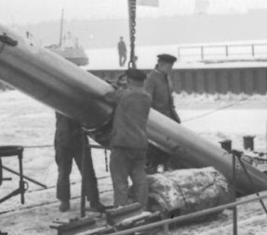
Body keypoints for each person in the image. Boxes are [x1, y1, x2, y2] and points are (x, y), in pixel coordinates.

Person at [104, 69, 152, 208]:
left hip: (122, 144)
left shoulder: (124, 95)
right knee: (140, 179)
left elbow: (107, 96)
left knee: (120, 182)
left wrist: (116, 84)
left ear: (129, 80)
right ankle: (142, 210)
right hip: (140, 145)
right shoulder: (147, 97)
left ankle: (121, 213)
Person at [54, 112, 103, 213]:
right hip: (63, 140)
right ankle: (64, 200)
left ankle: (93, 200)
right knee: (63, 172)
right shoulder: (60, 101)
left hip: (78, 140)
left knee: (87, 171)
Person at [143, 53, 181, 123]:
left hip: (168, 117)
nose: (171, 69)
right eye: (168, 67)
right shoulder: (151, 79)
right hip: (158, 119)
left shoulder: (166, 78)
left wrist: (175, 118)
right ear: (161, 65)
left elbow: (170, 101)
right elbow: (147, 101)